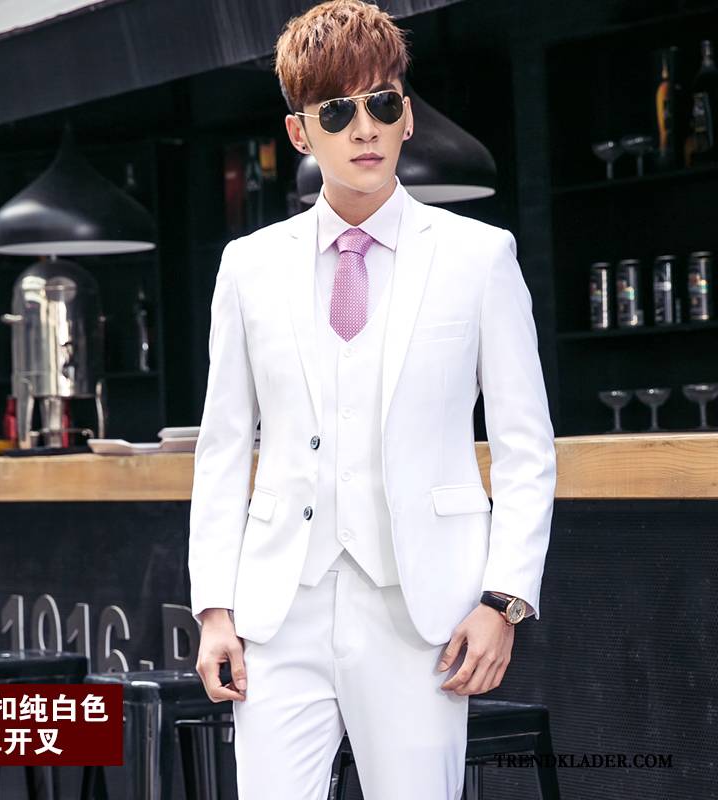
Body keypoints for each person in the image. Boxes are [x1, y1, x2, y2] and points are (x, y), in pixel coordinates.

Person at [188, 1, 557, 797]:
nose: (364, 129)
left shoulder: (479, 258)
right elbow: (223, 448)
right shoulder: (248, 266)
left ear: (407, 118)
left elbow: (526, 448)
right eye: (337, 111)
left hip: (421, 616)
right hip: (278, 614)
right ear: (300, 133)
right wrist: (214, 609)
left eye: (382, 104)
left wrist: (503, 600)